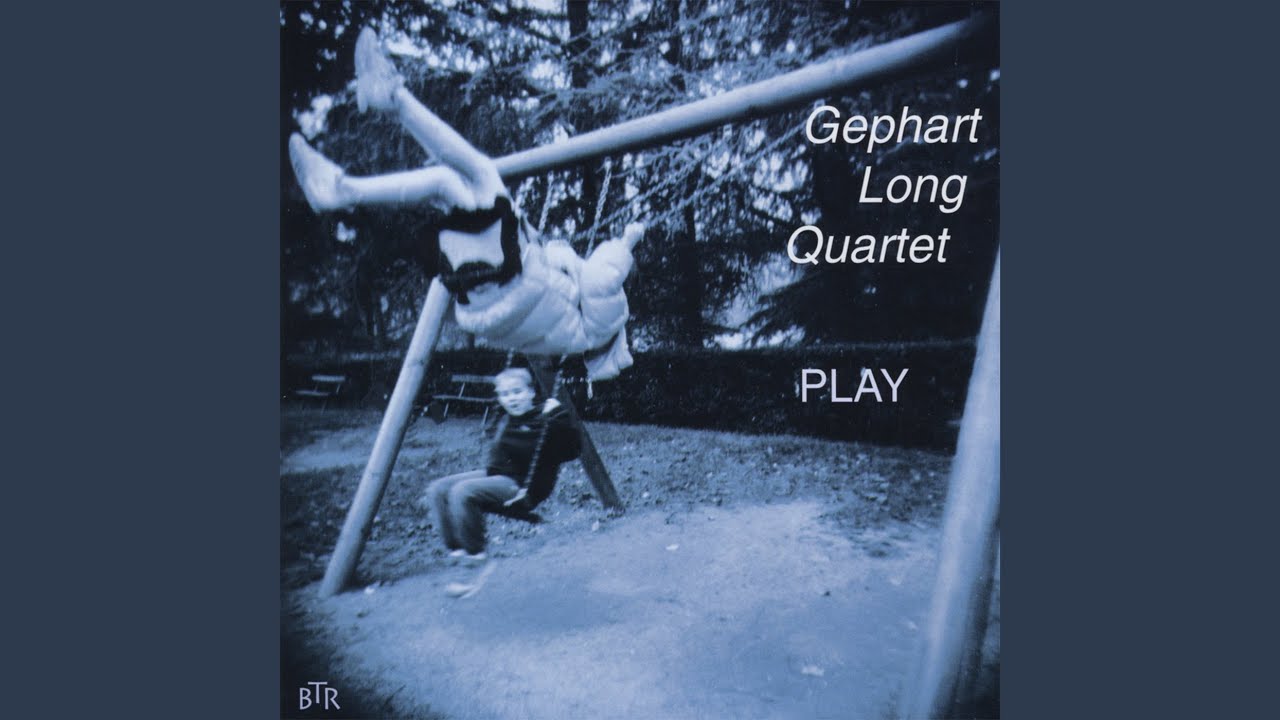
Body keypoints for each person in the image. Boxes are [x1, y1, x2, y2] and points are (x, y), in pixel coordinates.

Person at [288, 27, 642, 381]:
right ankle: (356, 163)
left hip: (516, 283)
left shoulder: (605, 324)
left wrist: (625, 245)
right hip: (486, 300)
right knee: (445, 184)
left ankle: (378, 127)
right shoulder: (573, 336)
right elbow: (554, 288)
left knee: (479, 172)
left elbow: (602, 277)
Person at [420, 367, 579, 597]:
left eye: (517, 392)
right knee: (437, 489)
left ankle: (476, 558)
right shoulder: (508, 418)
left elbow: (573, 450)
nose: (511, 398)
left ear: (531, 392)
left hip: (522, 487)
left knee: (462, 491)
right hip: (499, 474)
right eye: (505, 394)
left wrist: (560, 416)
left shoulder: (546, 418)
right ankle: (457, 552)